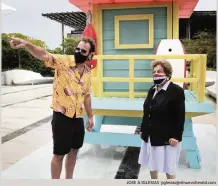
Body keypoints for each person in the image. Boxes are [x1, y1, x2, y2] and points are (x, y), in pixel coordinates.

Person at [10, 36, 95, 179]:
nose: (78, 52)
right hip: (62, 117)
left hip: (78, 117)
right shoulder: (64, 61)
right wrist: (27, 45)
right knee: (59, 155)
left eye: (83, 51)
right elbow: (44, 54)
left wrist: (91, 116)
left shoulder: (87, 72)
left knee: (74, 152)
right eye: (77, 49)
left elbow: (86, 96)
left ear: (90, 55)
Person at [138, 59, 185, 179]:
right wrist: (143, 129)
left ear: (167, 74)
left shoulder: (176, 91)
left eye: (159, 71)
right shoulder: (152, 89)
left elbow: (180, 115)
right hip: (151, 135)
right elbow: (147, 111)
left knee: (169, 168)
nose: (156, 74)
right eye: (154, 72)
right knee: (152, 165)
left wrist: (176, 136)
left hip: (167, 137)